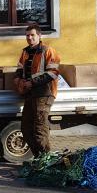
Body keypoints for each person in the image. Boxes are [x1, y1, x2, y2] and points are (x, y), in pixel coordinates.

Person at [13, 24, 60, 158]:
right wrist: (17, 80)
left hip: (44, 94)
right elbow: (19, 70)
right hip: (30, 95)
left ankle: (46, 159)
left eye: (32, 35)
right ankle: (39, 157)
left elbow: (53, 73)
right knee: (26, 129)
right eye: (27, 35)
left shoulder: (48, 51)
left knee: (40, 130)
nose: (29, 38)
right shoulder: (25, 52)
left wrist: (31, 82)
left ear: (39, 36)